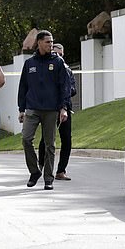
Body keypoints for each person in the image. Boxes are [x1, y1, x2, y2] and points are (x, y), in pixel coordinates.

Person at [17, 30, 71, 190]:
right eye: (48, 42)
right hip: (32, 108)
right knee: (26, 139)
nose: (51, 45)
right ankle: (34, 172)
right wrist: (21, 109)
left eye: (52, 42)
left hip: (51, 109)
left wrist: (63, 108)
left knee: (50, 145)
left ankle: (49, 178)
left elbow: (65, 87)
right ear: (39, 42)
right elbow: (23, 87)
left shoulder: (58, 62)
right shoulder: (29, 63)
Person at [38, 43, 77, 181]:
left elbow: (73, 89)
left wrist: (63, 93)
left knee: (67, 140)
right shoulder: (46, 69)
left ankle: (61, 171)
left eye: (61, 54)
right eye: (56, 54)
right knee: (46, 139)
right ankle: (40, 167)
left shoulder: (67, 70)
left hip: (65, 108)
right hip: (50, 109)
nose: (58, 57)